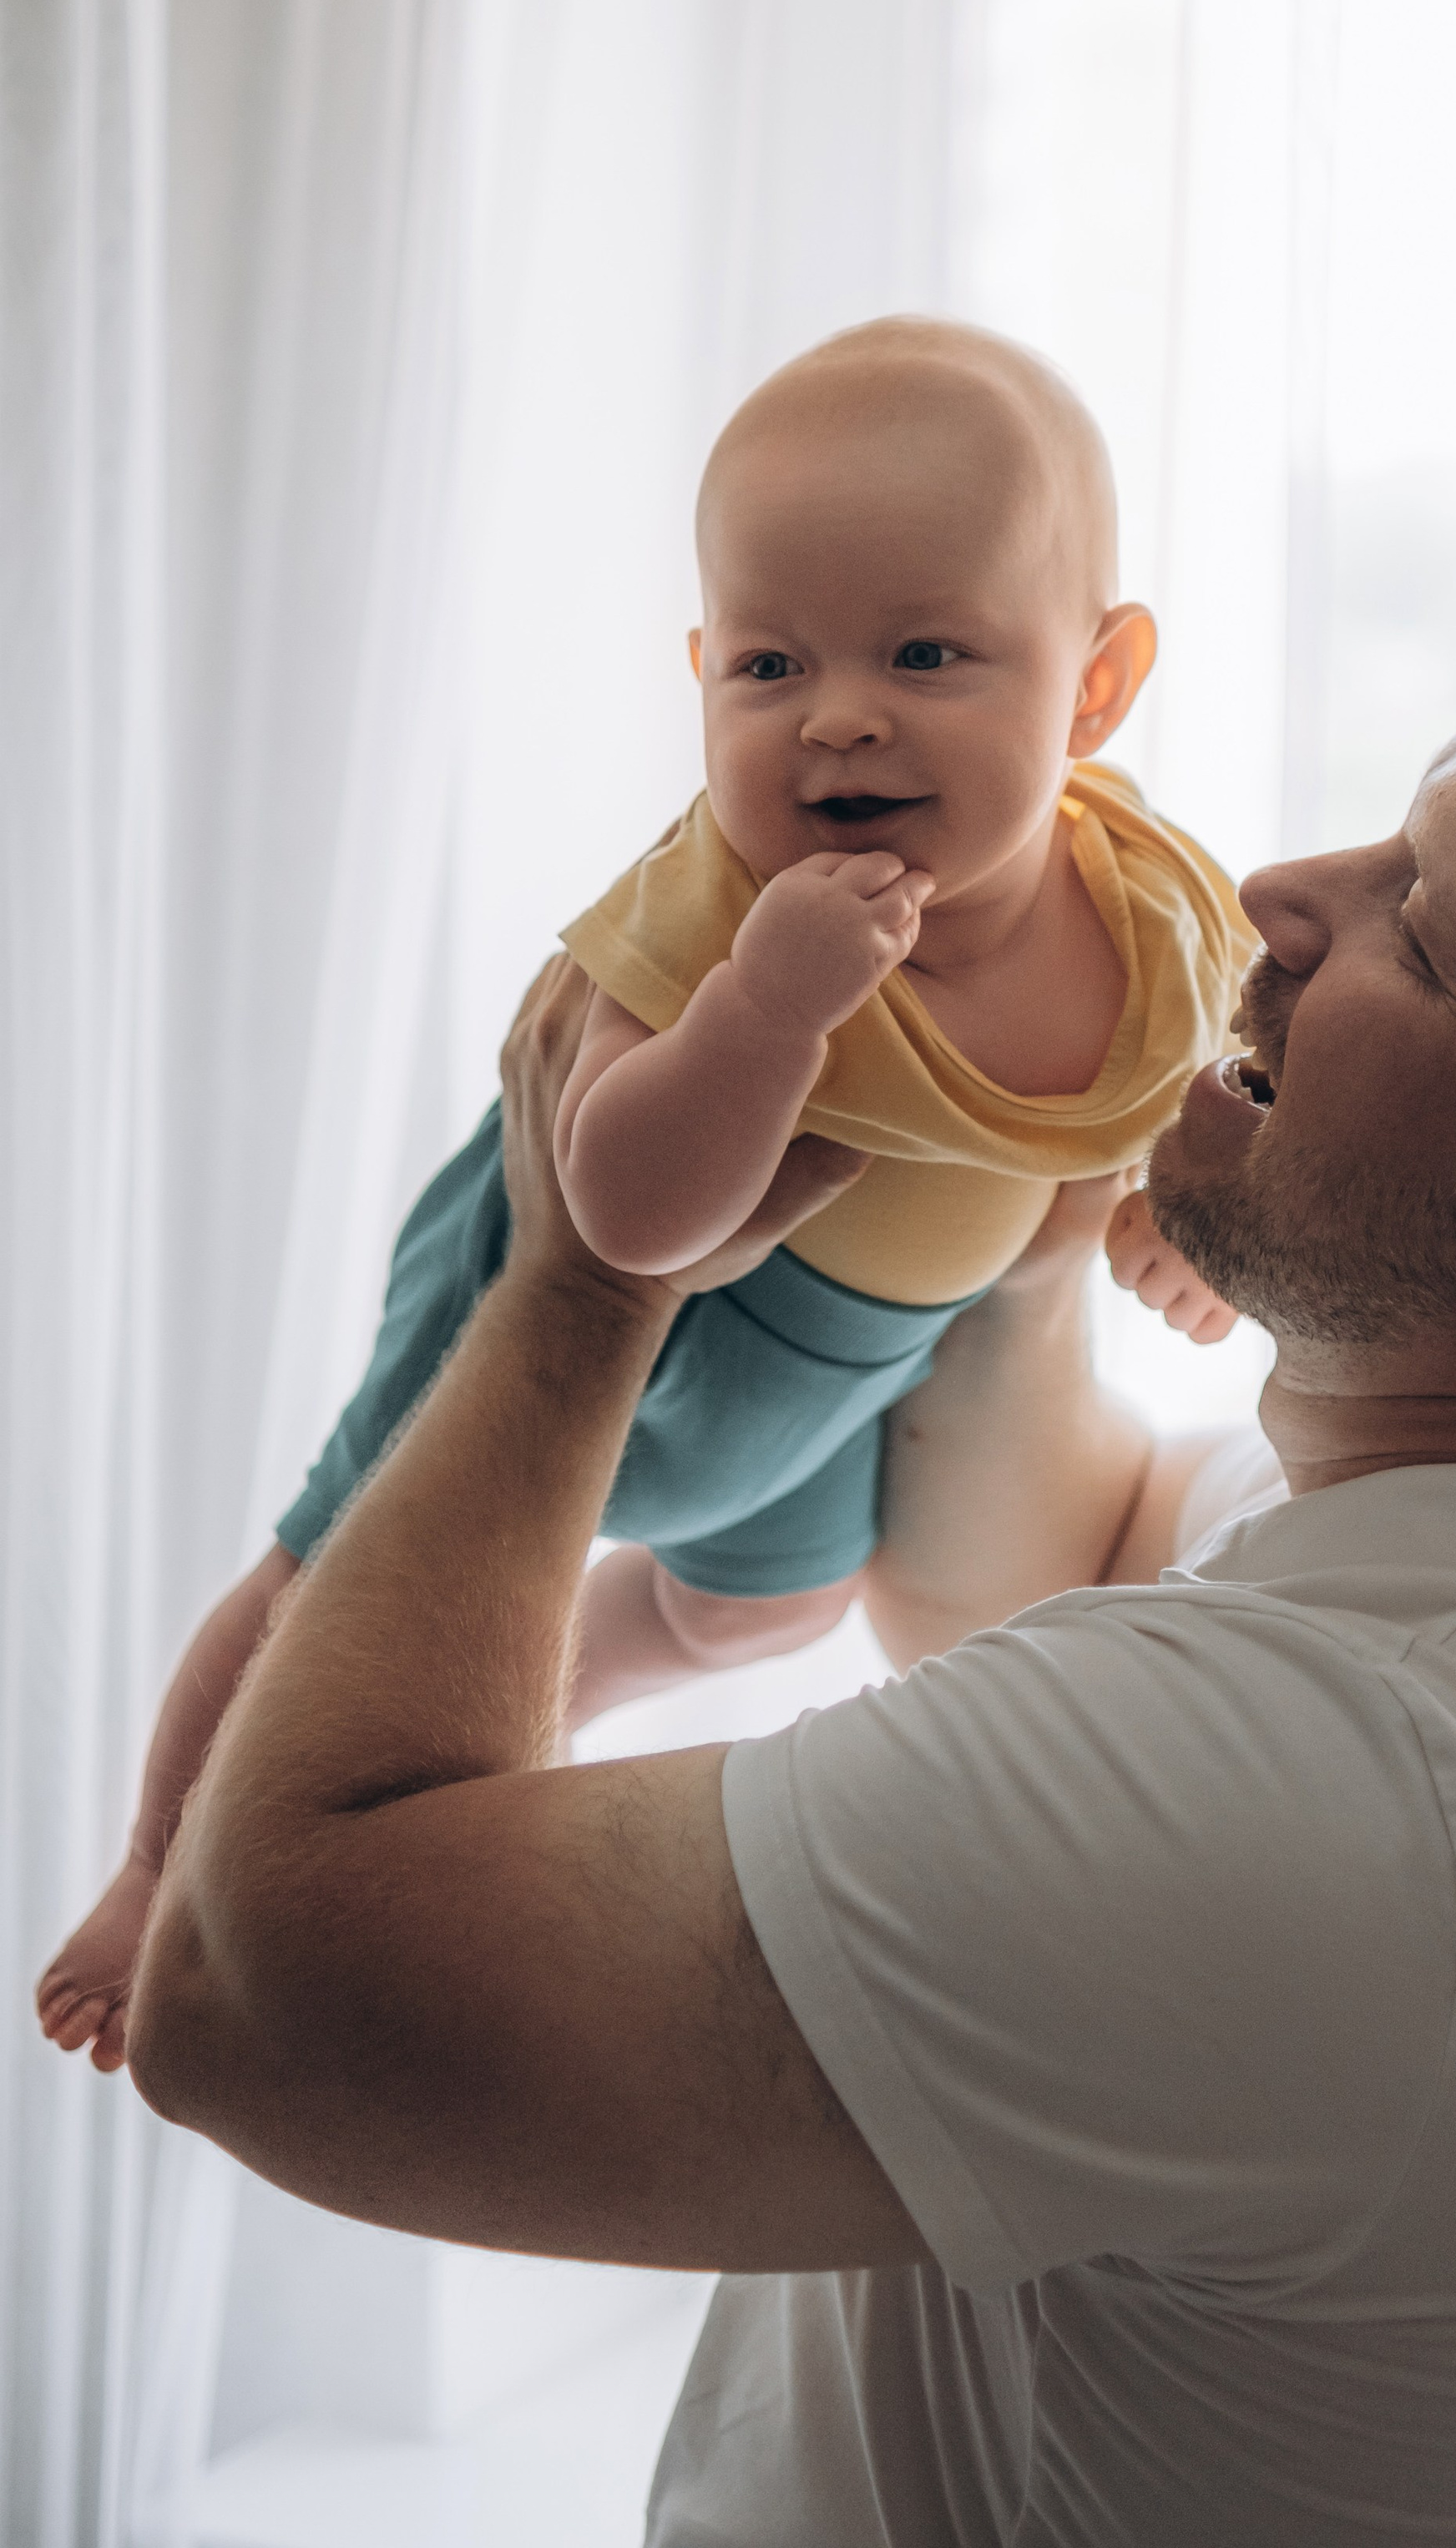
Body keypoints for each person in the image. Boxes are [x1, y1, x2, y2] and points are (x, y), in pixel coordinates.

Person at [127, 643, 1456, 2548]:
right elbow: (1040, 1560)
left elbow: (250, 1999)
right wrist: (1015, 1150)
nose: (1278, 890)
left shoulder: (1365, 1805)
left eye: (1415, 934)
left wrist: (578, 1282)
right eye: (1392, 820)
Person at [38, 317, 1246, 2073]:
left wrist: (1169, 1216)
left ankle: (564, 1686)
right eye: (765, 665)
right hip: (646, 1308)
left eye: (924, 650)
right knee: (336, 1579)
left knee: (763, 1607)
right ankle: (158, 1865)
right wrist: (766, 1007)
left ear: (1096, 684)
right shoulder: (723, 913)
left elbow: (1173, 1067)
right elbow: (617, 1217)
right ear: (699, 673)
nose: (838, 715)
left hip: (854, 1367)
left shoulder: (1138, 900)